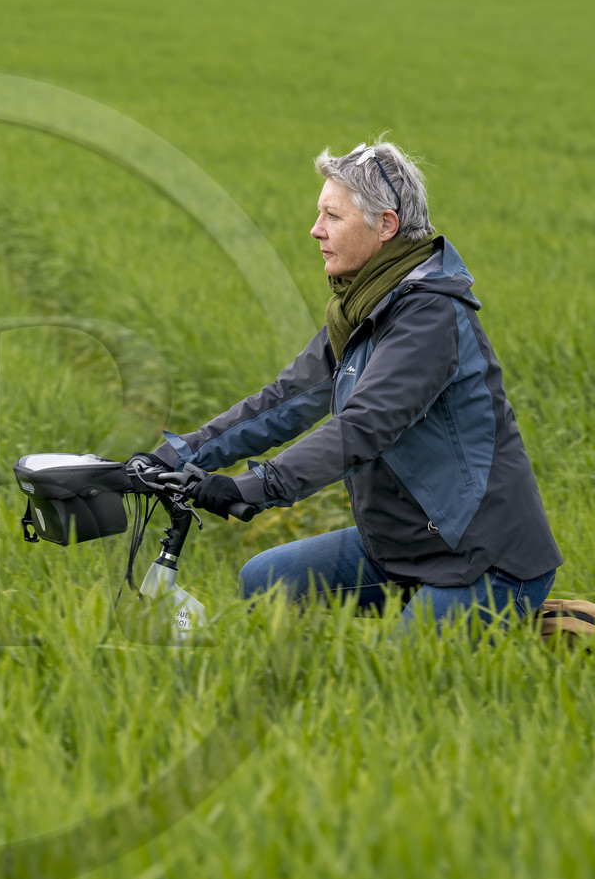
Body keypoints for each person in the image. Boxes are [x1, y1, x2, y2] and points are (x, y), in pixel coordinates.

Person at [138, 138, 561, 631]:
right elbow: (283, 402)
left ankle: (539, 624)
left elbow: (362, 427)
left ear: (386, 225)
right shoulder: (359, 310)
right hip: (400, 546)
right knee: (266, 579)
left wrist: (252, 488)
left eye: (333, 217)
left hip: (480, 557)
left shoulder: (430, 317)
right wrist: (175, 456)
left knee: (401, 685)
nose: (315, 230)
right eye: (320, 214)